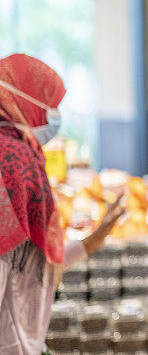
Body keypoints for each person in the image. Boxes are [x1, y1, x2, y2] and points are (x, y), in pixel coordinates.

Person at [0, 54, 124, 355]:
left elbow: (32, 259)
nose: (54, 115)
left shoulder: (22, 150)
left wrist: (92, 240)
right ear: (26, 100)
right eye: (49, 104)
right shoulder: (12, 159)